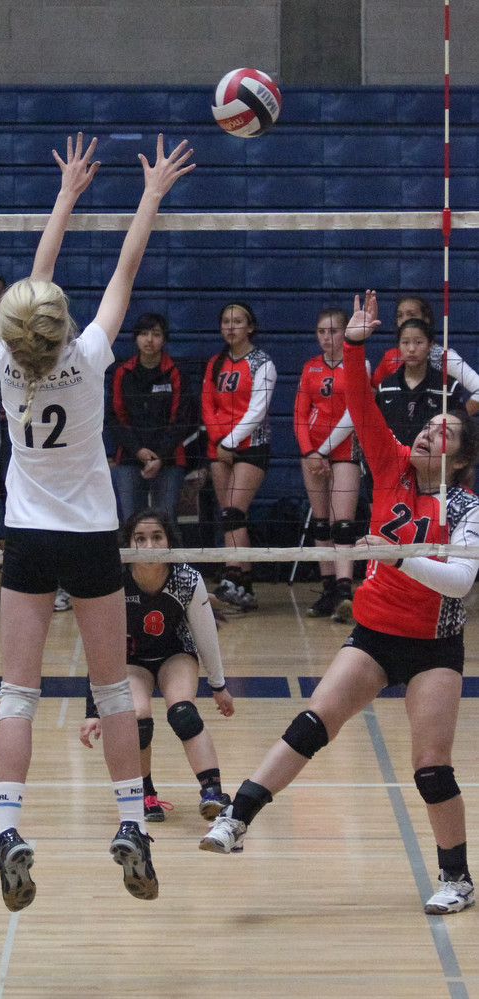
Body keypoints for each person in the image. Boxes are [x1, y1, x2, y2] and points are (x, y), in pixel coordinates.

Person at [201, 290, 479, 917]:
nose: (430, 430)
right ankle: (236, 818)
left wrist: (399, 557)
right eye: (429, 425)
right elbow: (360, 402)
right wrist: (354, 345)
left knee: (431, 767)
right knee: (313, 722)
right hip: (376, 632)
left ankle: (456, 878)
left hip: (433, 645)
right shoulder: (392, 466)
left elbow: (460, 582)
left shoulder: (466, 508)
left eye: (445, 432)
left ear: (461, 459)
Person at [0, 132, 195, 912]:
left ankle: (8, 830)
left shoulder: (7, 362)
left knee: (18, 692)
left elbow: (37, 277)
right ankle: (131, 823)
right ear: (59, 323)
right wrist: (149, 195)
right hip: (90, 539)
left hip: (28, 538)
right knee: (111, 688)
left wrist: (64, 195)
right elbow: (123, 272)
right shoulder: (90, 358)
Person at [80, 508, 234, 822]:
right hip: (131, 660)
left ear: (169, 541)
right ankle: (145, 793)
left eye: (157, 537)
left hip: (175, 654)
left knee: (183, 713)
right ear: (128, 544)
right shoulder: (114, 580)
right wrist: (92, 710)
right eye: (140, 538)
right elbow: (99, 647)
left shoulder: (187, 579)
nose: (149, 546)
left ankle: (213, 793)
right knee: (137, 718)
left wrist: (219, 686)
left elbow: (206, 637)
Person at [201, 301, 276, 610]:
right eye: (226, 321)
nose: (230, 327)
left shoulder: (262, 363)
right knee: (230, 516)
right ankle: (245, 589)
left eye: (237, 321)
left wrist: (231, 442)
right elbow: (207, 403)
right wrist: (219, 440)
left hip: (250, 446)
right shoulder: (215, 363)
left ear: (250, 327)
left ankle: (231, 578)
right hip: (219, 446)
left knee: (233, 512)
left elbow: (257, 410)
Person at [294, 308, 366, 622]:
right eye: (321, 332)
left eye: (334, 331)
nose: (327, 337)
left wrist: (322, 451)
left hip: (345, 450)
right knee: (321, 523)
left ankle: (344, 590)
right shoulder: (310, 367)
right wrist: (309, 452)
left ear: (345, 333)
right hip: (313, 453)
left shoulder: (358, 364)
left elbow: (354, 413)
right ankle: (328, 590)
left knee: (343, 524)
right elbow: (299, 415)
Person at [105, 313, 192, 523]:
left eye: (156, 334)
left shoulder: (176, 372)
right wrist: (138, 451)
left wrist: (159, 456)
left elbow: (182, 420)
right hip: (129, 457)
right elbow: (114, 417)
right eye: (144, 333)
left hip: (169, 460)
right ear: (135, 338)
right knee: (131, 522)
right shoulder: (122, 373)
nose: (149, 340)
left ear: (164, 338)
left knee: (166, 522)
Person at [371, 295, 479, 416]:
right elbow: (373, 391)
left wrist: (457, 418)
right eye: (400, 315)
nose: (404, 320)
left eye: (411, 314)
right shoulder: (390, 356)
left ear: (426, 319)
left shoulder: (443, 357)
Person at [375, 317, 463, 447]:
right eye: (405, 342)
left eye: (418, 342)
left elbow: (460, 432)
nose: (411, 349)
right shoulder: (386, 387)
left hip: (434, 458)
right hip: (394, 457)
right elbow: (376, 431)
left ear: (430, 345)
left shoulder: (448, 387)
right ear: (398, 346)